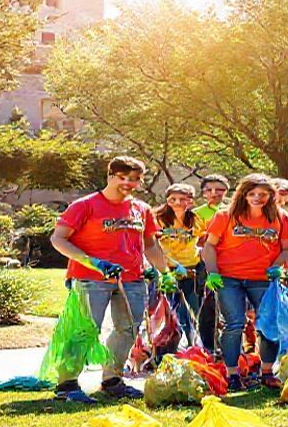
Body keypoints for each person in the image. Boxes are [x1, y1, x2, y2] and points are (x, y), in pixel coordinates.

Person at [50, 156, 173, 403]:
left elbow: (150, 244)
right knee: (85, 329)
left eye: (136, 179)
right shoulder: (85, 205)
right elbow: (59, 239)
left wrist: (166, 271)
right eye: (124, 178)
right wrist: (92, 262)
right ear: (110, 176)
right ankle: (67, 384)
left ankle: (112, 380)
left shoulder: (141, 209)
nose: (130, 183)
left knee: (127, 329)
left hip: (132, 279)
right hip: (90, 278)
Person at [201, 173, 288, 391]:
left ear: (271, 196)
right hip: (228, 277)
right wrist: (212, 272)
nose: (257, 198)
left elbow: (286, 249)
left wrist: (276, 266)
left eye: (263, 194)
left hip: (262, 278)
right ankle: (233, 373)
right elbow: (209, 246)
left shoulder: (281, 218)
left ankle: (268, 372)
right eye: (252, 193)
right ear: (243, 194)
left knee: (268, 324)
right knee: (234, 324)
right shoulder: (226, 216)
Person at [154, 183, 206, 347]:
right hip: (167, 269)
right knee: (174, 308)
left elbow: (203, 240)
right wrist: (170, 266)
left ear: (190, 201)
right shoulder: (158, 218)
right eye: (173, 199)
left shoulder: (195, 219)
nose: (177, 203)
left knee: (195, 307)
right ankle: (169, 344)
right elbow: (152, 244)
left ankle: (196, 344)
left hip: (192, 268)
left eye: (182, 199)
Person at [193, 174, 230, 352]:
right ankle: (209, 346)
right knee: (208, 306)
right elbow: (197, 240)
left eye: (219, 189)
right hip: (207, 264)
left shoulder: (234, 210)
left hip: (233, 263)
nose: (214, 193)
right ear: (203, 193)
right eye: (209, 190)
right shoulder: (197, 214)